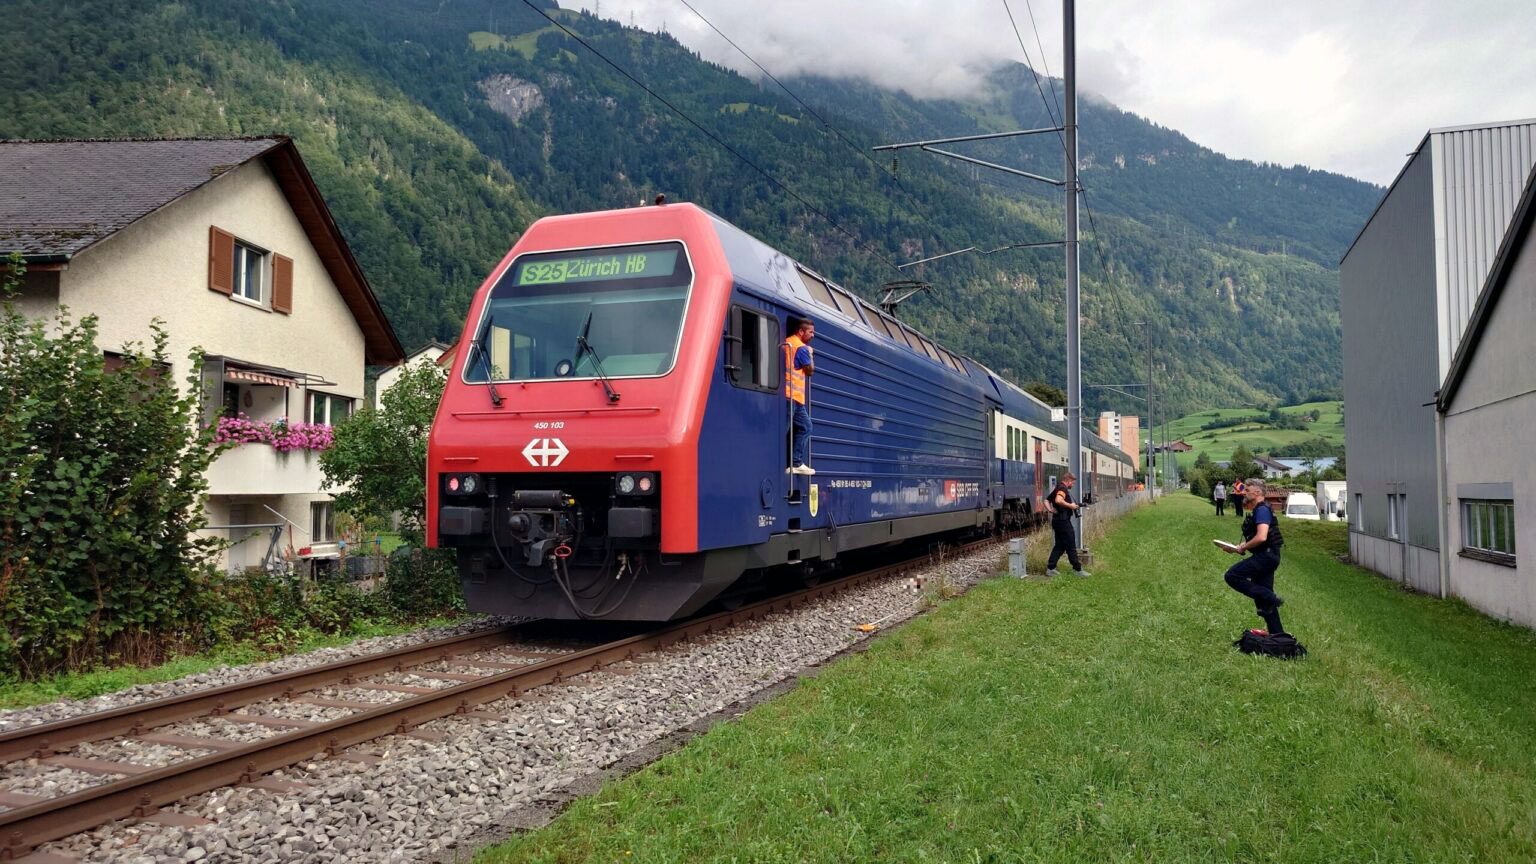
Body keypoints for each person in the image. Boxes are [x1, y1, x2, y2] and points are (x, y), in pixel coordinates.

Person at [1221, 478, 1287, 635]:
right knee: (1265, 603)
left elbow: (1262, 537)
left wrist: (1243, 546)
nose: (1244, 493)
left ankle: (1270, 596)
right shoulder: (1260, 510)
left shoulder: (1262, 510)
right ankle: (1277, 635)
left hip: (1266, 557)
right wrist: (1236, 548)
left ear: (1257, 492)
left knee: (1232, 575)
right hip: (1268, 556)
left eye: (1248, 490)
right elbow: (1256, 540)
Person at [784, 316, 815, 475]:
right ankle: (793, 463)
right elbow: (810, 371)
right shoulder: (802, 348)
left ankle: (795, 463)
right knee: (792, 429)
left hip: (792, 398)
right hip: (793, 397)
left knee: (805, 426)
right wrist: (810, 354)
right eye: (810, 332)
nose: (813, 335)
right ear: (801, 331)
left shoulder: (788, 342)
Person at [1045, 473, 1091, 577]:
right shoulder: (1063, 489)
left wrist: (1050, 510)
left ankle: (1051, 568)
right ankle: (1078, 570)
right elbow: (1058, 500)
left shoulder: (1057, 487)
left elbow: (1046, 500)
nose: (1073, 485)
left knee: (1060, 546)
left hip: (1057, 521)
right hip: (1063, 522)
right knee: (1071, 545)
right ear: (1068, 480)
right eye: (1073, 482)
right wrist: (1070, 505)